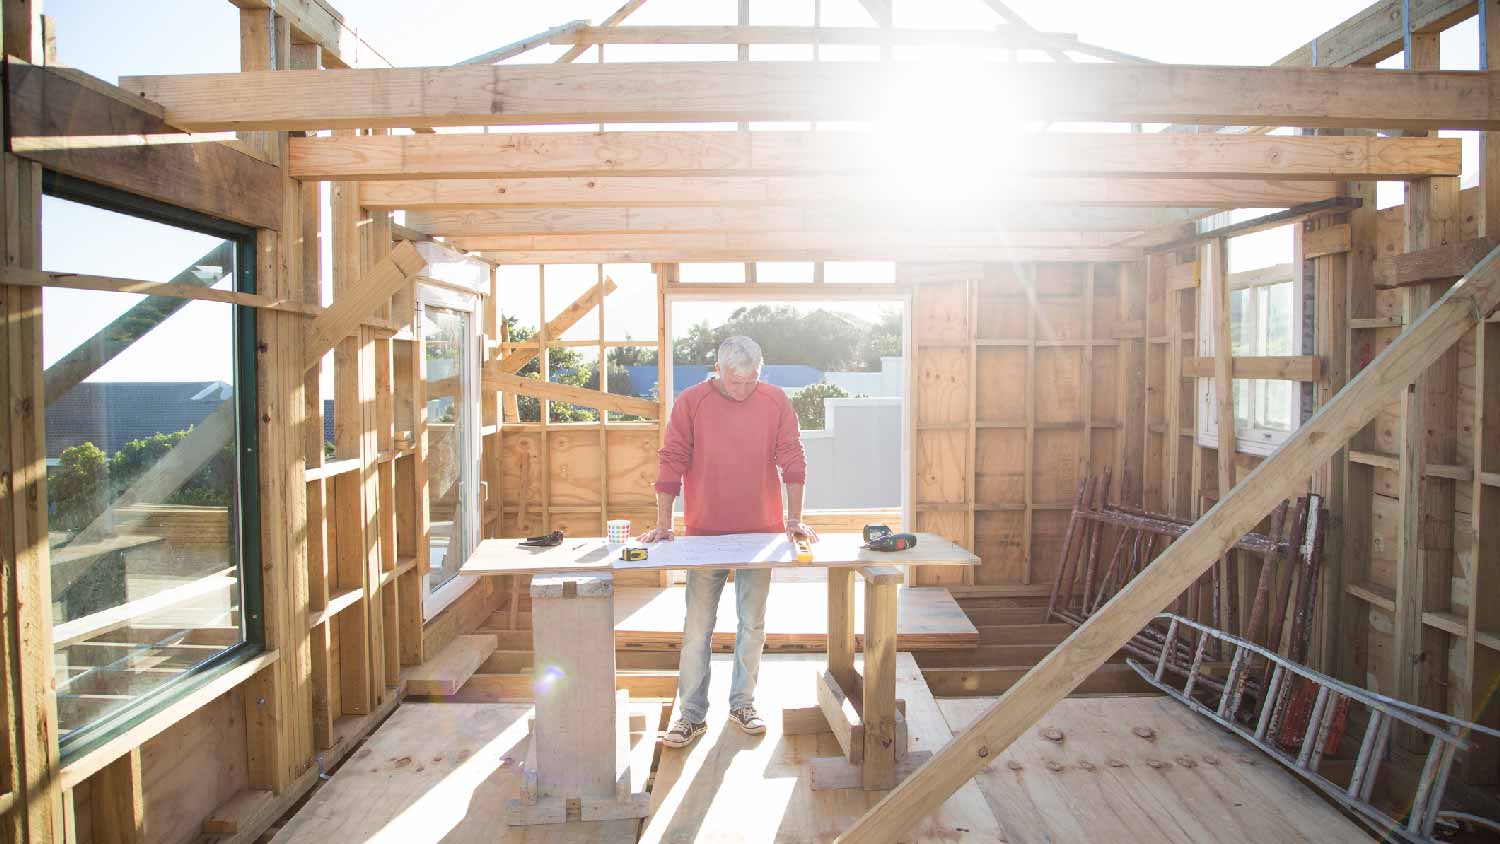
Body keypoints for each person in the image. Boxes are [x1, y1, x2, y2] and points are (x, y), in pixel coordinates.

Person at [639, 335, 817, 748]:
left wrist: (795, 520)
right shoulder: (691, 402)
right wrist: (664, 523)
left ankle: (743, 703)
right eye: (736, 382)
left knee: (752, 624)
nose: (744, 390)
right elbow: (672, 458)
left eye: (752, 380)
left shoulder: (774, 401)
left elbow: (792, 457)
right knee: (698, 627)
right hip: (704, 533)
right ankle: (691, 715)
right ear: (717, 370)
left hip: (761, 532)